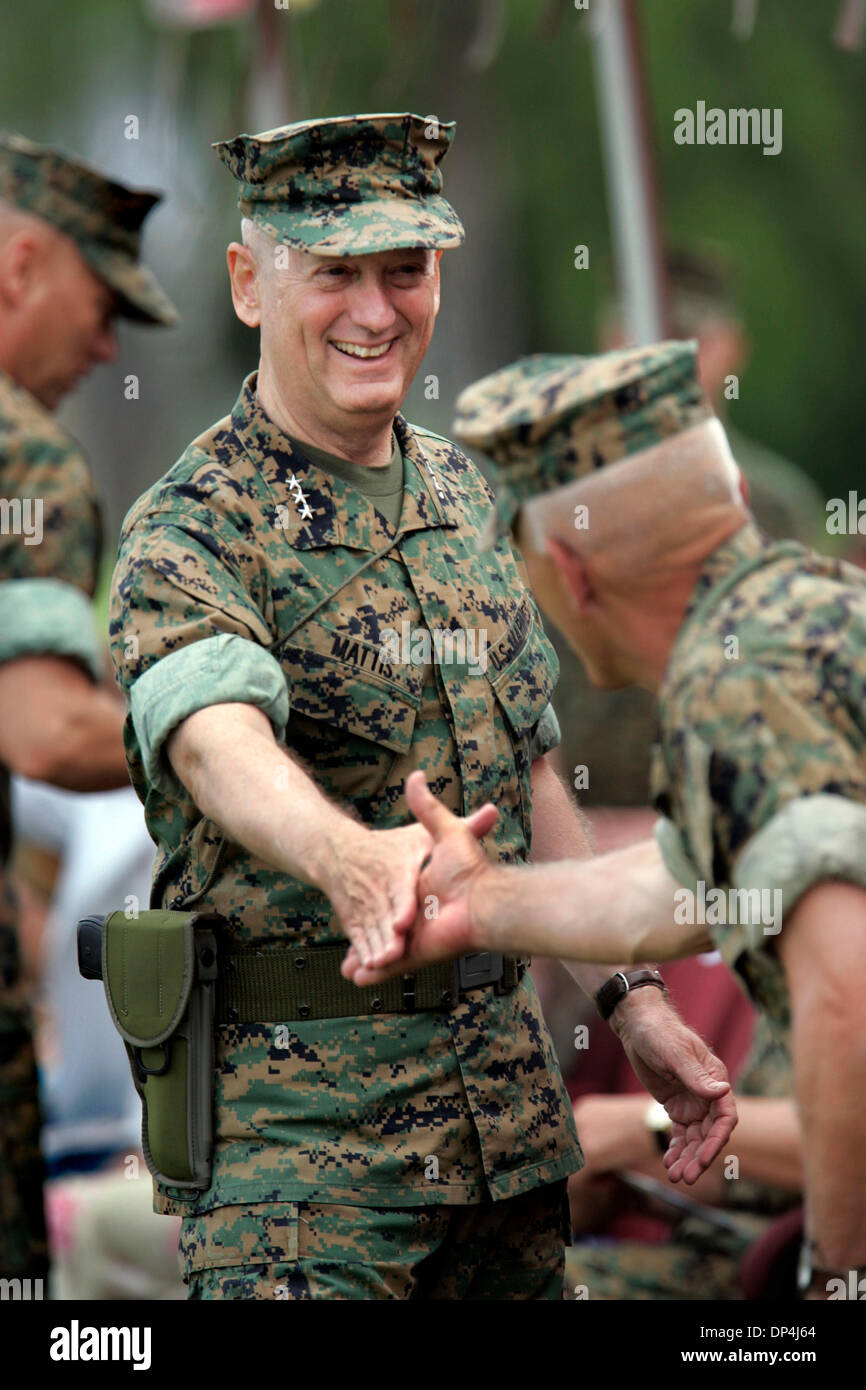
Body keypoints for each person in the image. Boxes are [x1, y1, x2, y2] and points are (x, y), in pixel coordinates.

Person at [109, 114, 734, 1301]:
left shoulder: (463, 492)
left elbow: (531, 767)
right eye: (333, 272)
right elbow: (210, 734)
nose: (375, 310)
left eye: (406, 269)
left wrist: (633, 1001)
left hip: (504, 1141)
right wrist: (349, 859)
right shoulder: (195, 522)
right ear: (249, 283)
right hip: (305, 1176)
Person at [345, 340, 866, 1299]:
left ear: (572, 576)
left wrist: (836, 1279)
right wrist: (489, 902)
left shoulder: (739, 681)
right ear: (734, 497)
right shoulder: (813, 614)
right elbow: (687, 878)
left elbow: (845, 1001)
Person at [0, 132, 176, 1281]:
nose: (106, 344)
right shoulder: (26, 460)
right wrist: (241, 722)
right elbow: (47, 732)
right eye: (99, 302)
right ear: (17, 267)